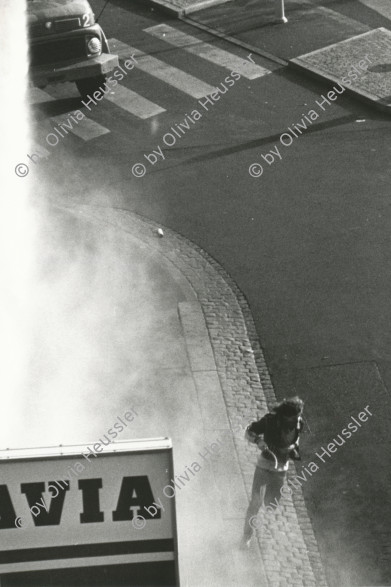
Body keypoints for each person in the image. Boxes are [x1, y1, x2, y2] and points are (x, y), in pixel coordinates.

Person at [241, 396, 304, 548]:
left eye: (298, 416)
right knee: (256, 502)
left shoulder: (298, 423)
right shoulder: (270, 421)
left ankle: (267, 504)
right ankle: (246, 537)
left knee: (271, 503)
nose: (296, 420)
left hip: (281, 468)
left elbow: (296, 439)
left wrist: (293, 449)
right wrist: (258, 441)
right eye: (294, 417)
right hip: (264, 465)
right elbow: (249, 432)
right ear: (285, 415)